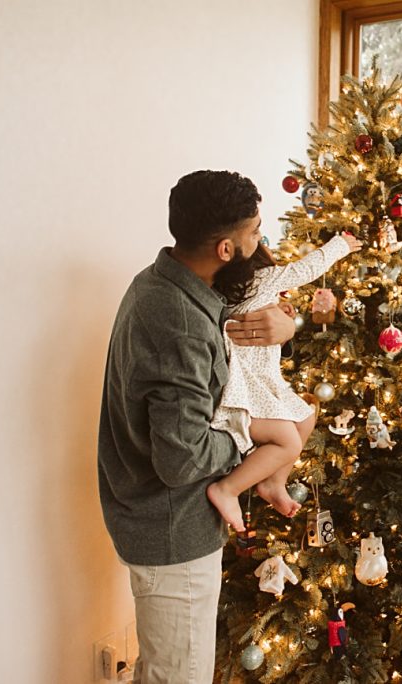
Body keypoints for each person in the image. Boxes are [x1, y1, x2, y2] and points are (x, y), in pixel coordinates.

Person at [98, 170, 295, 683]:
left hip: (159, 520)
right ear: (226, 248)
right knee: (178, 676)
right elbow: (181, 457)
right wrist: (246, 434)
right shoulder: (180, 323)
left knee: (164, 669)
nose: (262, 239)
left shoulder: (164, 281)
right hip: (172, 530)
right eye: (254, 231)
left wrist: (289, 325)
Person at [206, 228, 361, 528]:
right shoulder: (262, 278)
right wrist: (340, 245)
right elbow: (306, 268)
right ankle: (227, 489)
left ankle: (273, 483)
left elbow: (257, 308)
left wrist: (278, 308)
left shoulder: (239, 290)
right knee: (288, 443)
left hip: (264, 381)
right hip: (247, 387)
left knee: (305, 417)